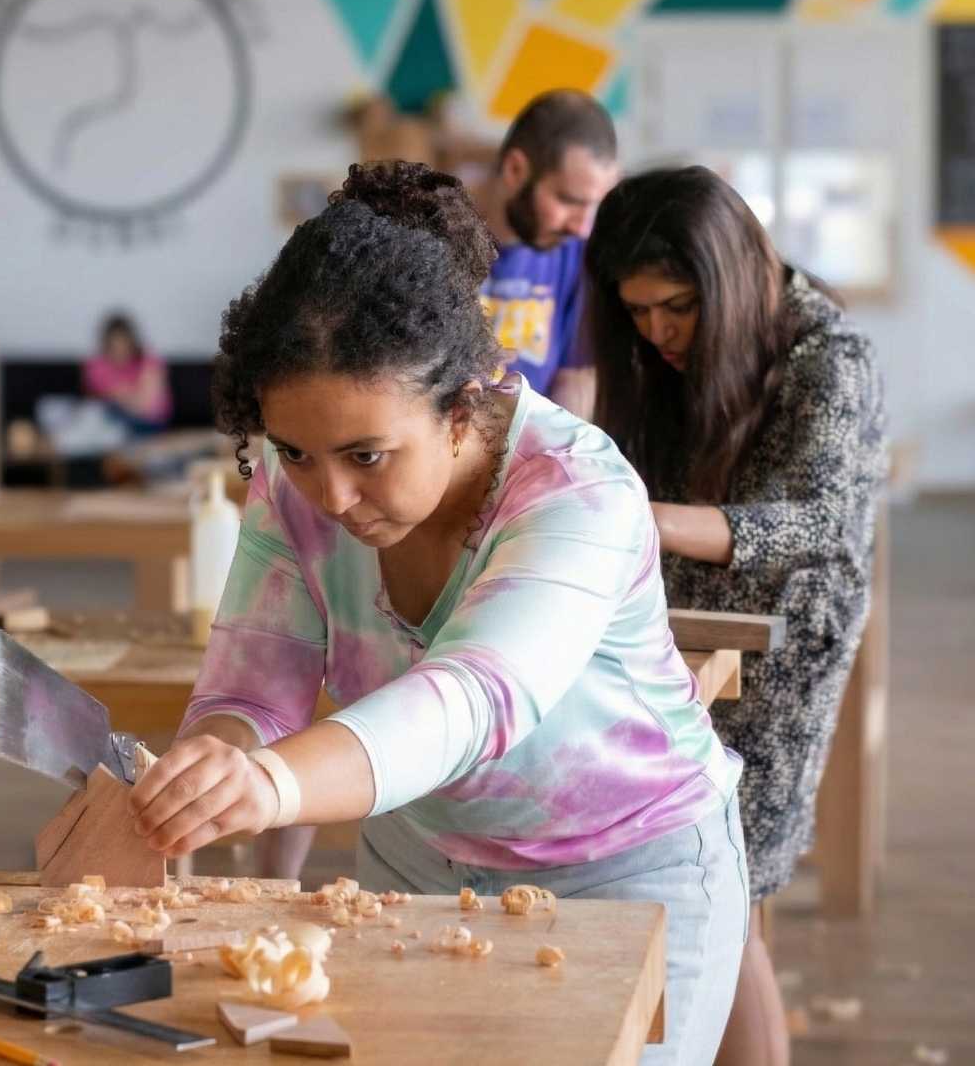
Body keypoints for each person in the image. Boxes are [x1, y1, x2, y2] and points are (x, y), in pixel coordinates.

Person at [129, 161, 747, 1063]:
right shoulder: (292, 483)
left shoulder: (577, 493)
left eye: (367, 456)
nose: (329, 496)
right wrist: (217, 757)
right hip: (414, 864)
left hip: (623, 873)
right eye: (294, 451)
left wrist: (270, 785)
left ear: (463, 409)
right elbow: (257, 682)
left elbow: (472, 701)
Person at [584, 165, 887, 1066]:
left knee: (727, 889)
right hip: (687, 632)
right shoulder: (658, 352)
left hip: (788, 645)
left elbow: (821, 524)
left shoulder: (830, 356)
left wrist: (652, 519)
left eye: (677, 306)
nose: (658, 332)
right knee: (706, 886)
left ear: (731, 273)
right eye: (637, 312)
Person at [470, 90, 619, 418]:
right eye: (569, 201)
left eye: (595, 205)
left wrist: (554, 454)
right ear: (514, 170)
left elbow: (576, 376)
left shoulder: (578, 254)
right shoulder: (432, 238)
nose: (582, 227)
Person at [83, 312, 173, 435]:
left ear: (132, 340)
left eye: (123, 341)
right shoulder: (97, 365)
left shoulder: (149, 360)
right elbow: (102, 399)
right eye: (114, 343)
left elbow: (147, 405)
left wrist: (123, 396)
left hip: (149, 423)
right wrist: (128, 394)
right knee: (94, 414)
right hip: (113, 420)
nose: (119, 347)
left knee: (102, 420)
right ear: (106, 344)